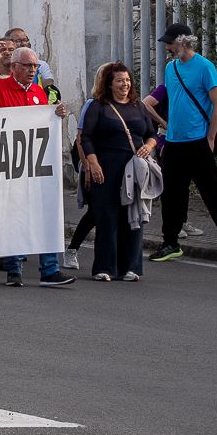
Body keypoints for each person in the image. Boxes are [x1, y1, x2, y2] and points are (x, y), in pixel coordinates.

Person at [0, 44, 76, 286]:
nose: (33, 70)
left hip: (37, 167)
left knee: (47, 215)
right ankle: (13, 269)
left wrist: (57, 113)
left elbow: (44, 123)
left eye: (35, 66)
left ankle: (50, 270)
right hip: (9, 167)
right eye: (28, 66)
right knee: (14, 218)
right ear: (14, 67)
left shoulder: (39, 92)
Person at [141, 25, 217, 259]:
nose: (167, 47)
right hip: (173, 141)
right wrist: (166, 125)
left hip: (197, 140)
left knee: (210, 191)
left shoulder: (205, 67)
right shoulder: (170, 68)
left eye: (170, 43)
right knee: (172, 193)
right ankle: (170, 243)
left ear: (183, 42)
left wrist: (211, 137)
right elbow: (174, 102)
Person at [78, 62, 159, 283]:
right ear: (110, 83)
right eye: (120, 80)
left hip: (133, 168)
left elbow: (152, 133)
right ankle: (105, 267)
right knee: (107, 216)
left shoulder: (139, 106)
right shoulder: (98, 106)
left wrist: (149, 146)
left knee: (133, 215)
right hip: (106, 167)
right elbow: (86, 137)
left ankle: (131, 267)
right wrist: (92, 164)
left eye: (127, 80)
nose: (125, 84)